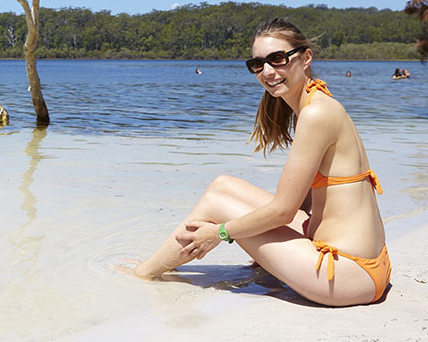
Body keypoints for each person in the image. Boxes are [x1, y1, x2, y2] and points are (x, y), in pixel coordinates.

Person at [130, 18, 390, 306]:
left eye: (277, 59)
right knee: (222, 186)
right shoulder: (316, 102)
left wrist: (219, 233)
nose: (267, 71)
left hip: (347, 272)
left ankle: (143, 273)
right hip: (361, 263)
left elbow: (283, 211)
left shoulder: (316, 114)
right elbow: (306, 201)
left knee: (218, 207)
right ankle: (154, 267)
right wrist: (265, 252)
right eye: (257, 64)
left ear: (305, 58)